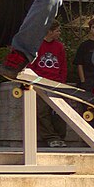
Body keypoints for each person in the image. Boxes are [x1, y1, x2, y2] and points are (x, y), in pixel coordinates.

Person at [29, 20, 67, 148]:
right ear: (49, 31)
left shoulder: (59, 46)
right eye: (57, 31)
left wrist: (61, 82)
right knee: (42, 111)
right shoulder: (37, 45)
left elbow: (63, 65)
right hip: (40, 82)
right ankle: (50, 137)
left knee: (59, 111)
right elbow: (31, 64)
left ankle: (60, 136)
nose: (59, 33)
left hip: (56, 83)